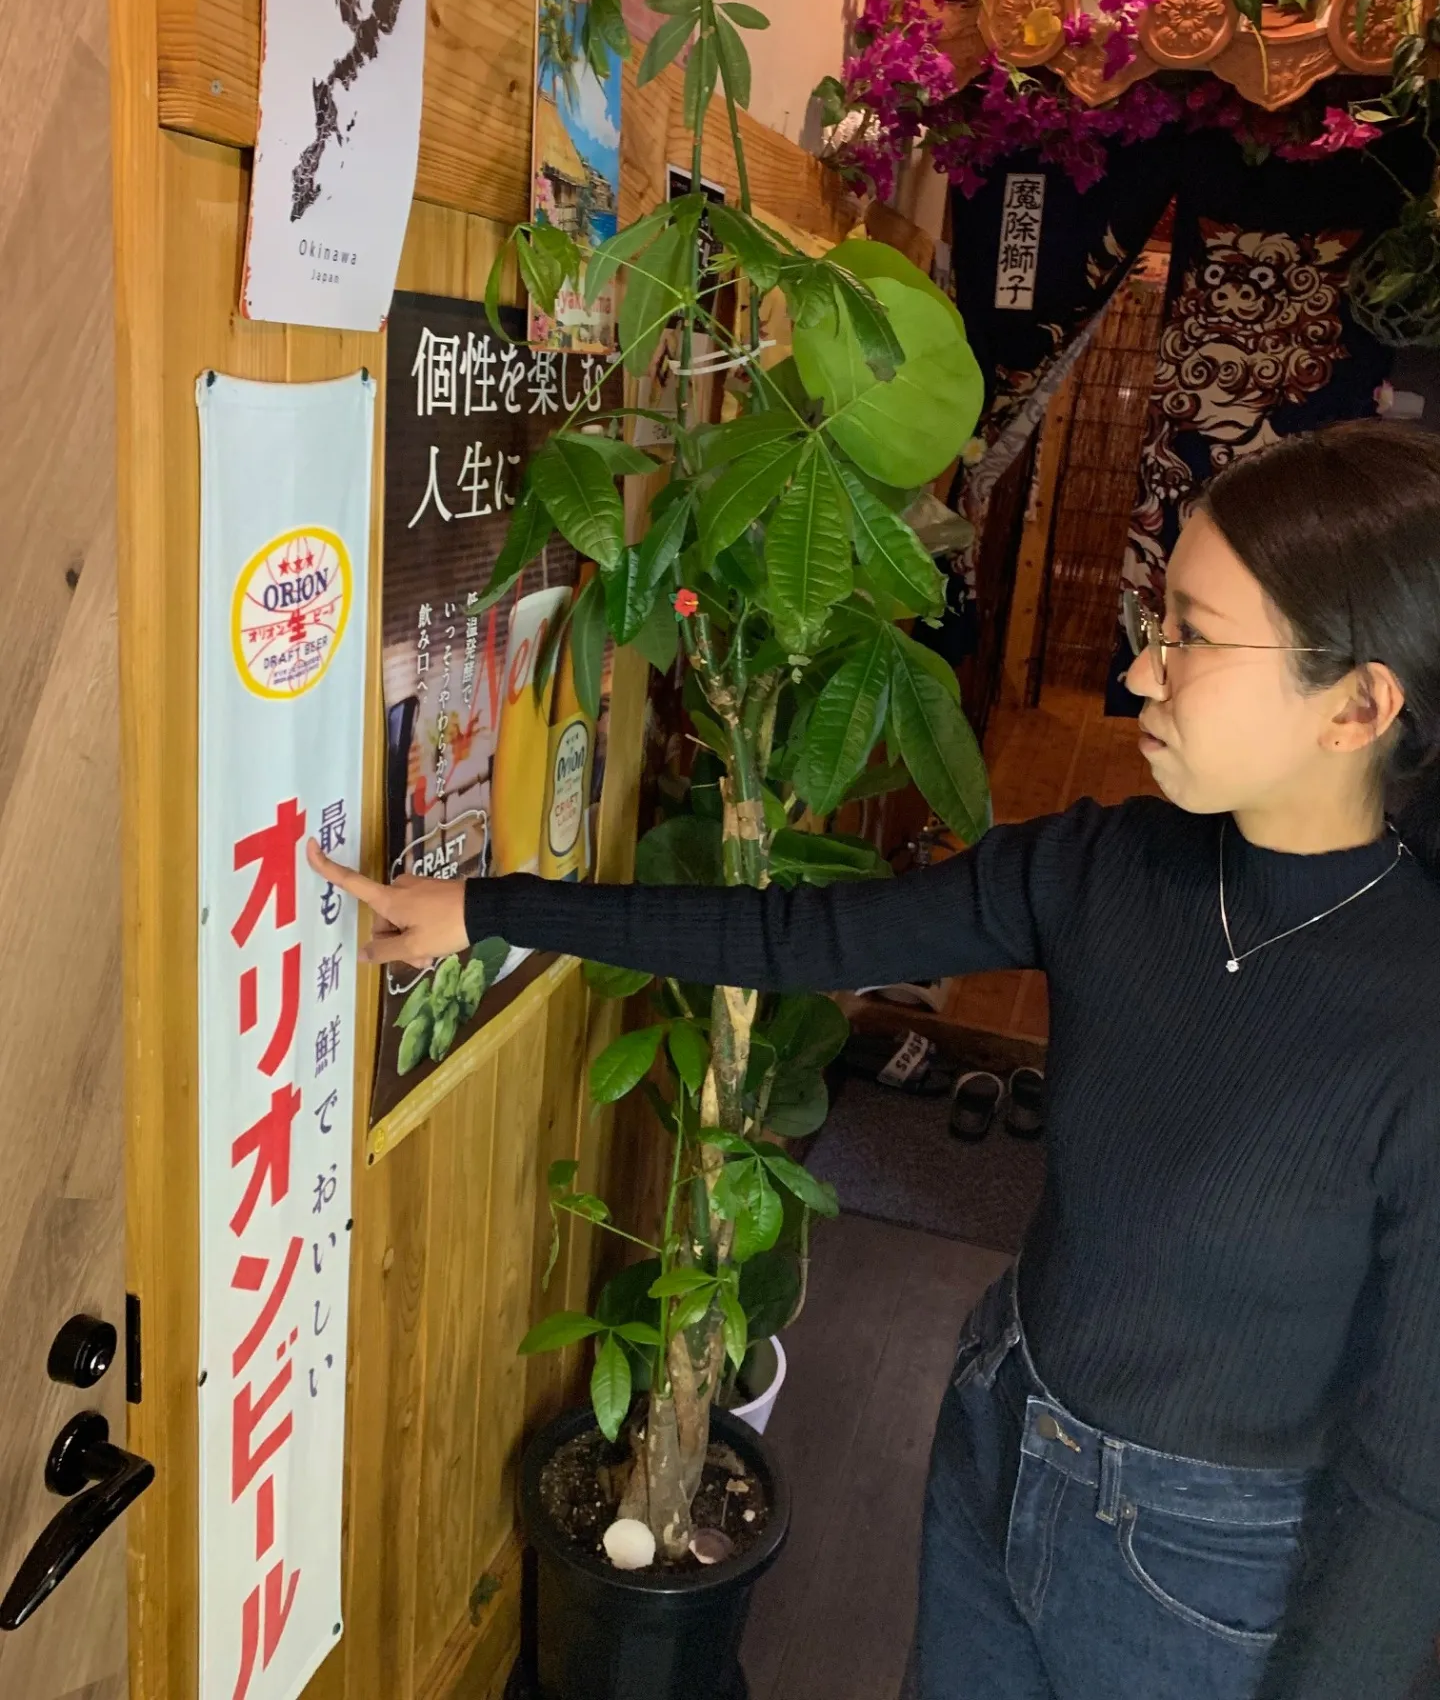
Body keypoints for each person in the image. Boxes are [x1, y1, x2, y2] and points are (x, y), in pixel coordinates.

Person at [310, 421, 1440, 1700]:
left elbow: (1409, 1488)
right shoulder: (1103, 868)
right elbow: (797, 934)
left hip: (1211, 1576)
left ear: (1358, 705)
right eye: (1156, 622)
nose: (1141, 670)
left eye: (1192, 635)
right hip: (1001, 1431)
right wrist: (489, 910)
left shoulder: (1417, 1020)